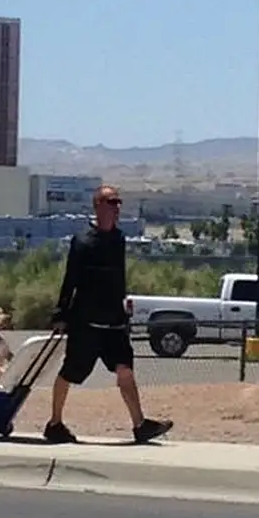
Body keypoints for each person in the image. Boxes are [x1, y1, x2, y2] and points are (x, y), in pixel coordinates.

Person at [43, 185, 173, 445]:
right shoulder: (82, 241)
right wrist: (61, 314)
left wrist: (122, 306)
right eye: (111, 202)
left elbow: (119, 277)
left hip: (113, 320)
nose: (117, 207)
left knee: (125, 368)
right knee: (71, 372)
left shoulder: (119, 239)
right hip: (86, 322)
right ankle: (55, 423)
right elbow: (71, 279)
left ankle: (140, 424)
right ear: (98, 206)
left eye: (118, 202)